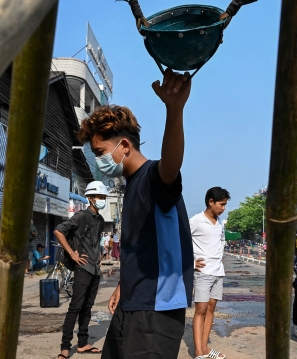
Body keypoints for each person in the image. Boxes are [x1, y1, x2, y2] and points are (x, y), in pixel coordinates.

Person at [79, 69, 193, 359]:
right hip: (132, 301)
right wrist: (122, 284)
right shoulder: (130, 187)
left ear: (124, 146)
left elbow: (171, 164)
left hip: (155, 309)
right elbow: (139, 249)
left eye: (100, 151)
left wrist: (174, 111)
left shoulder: (153, 176)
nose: (98, 160)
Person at [53, 181, 107, 358]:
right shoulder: (81, 216)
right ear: (90, 198)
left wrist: (98, 257)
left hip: (95, 270)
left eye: (104, 197)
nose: (103, 200)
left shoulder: (100, 219)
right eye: (100, 197)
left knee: (87, 307)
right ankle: (65, 348)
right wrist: (72, 253)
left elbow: (95, 241)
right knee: (75, 307)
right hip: (83, 268)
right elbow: (58, 231)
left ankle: (83, 343)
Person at [190, 187, 230, 359]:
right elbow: (180, 241)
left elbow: (222, 240)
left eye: (225, 204)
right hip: (202, 272)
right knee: (201, 308)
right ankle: (198, 352)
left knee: (211, 308)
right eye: (221, 204)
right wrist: (191, 262)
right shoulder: (195, 221)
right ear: (210, 202)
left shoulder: (220, 222)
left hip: (217, 272)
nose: (224, 208)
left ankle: (205, 348)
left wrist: (220, 255)